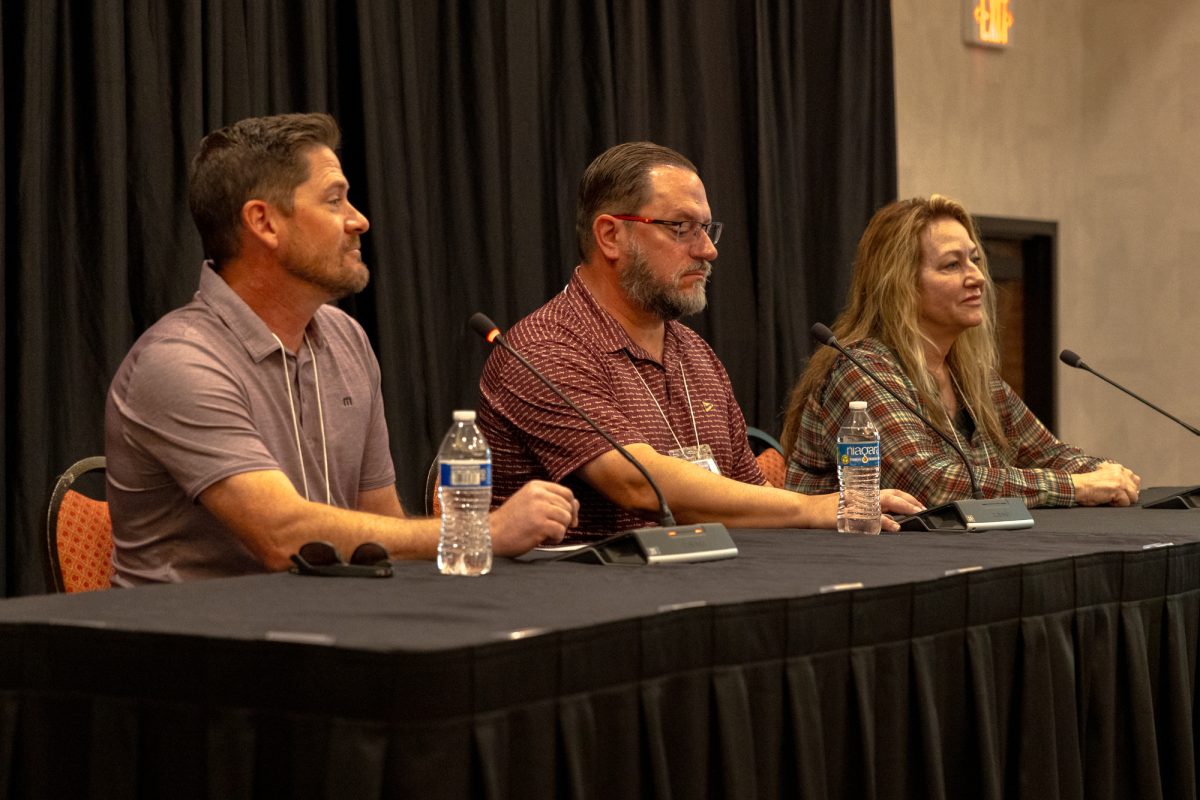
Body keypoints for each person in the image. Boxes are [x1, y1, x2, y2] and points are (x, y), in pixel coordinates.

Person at [105, 113, 578, 586]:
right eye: (334, 200)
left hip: (326, 620)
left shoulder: (345, 338)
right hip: (200, 629)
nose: (359, 220)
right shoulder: (180, 361)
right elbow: (283, 537)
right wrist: (480, 531)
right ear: (264, 222)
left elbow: (383, 525)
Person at [477, 142, 922, 538]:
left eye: (707, 228)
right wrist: (811, 508)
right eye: (681, 227)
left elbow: (746, 494)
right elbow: (635, 482)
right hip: (582, 593)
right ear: (611, 236)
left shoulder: (695, 353)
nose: (708, 250)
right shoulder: (545, 347)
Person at [780, 194, 1140, 508]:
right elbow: (929, 482)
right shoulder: (861, 369)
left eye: (975, 260)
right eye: (952, 265)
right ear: (901, 284)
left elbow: (1048, 454)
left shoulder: (970, 375)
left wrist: (1106, 473)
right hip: (853, 558)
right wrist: (1076, 487)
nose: (977, 277)